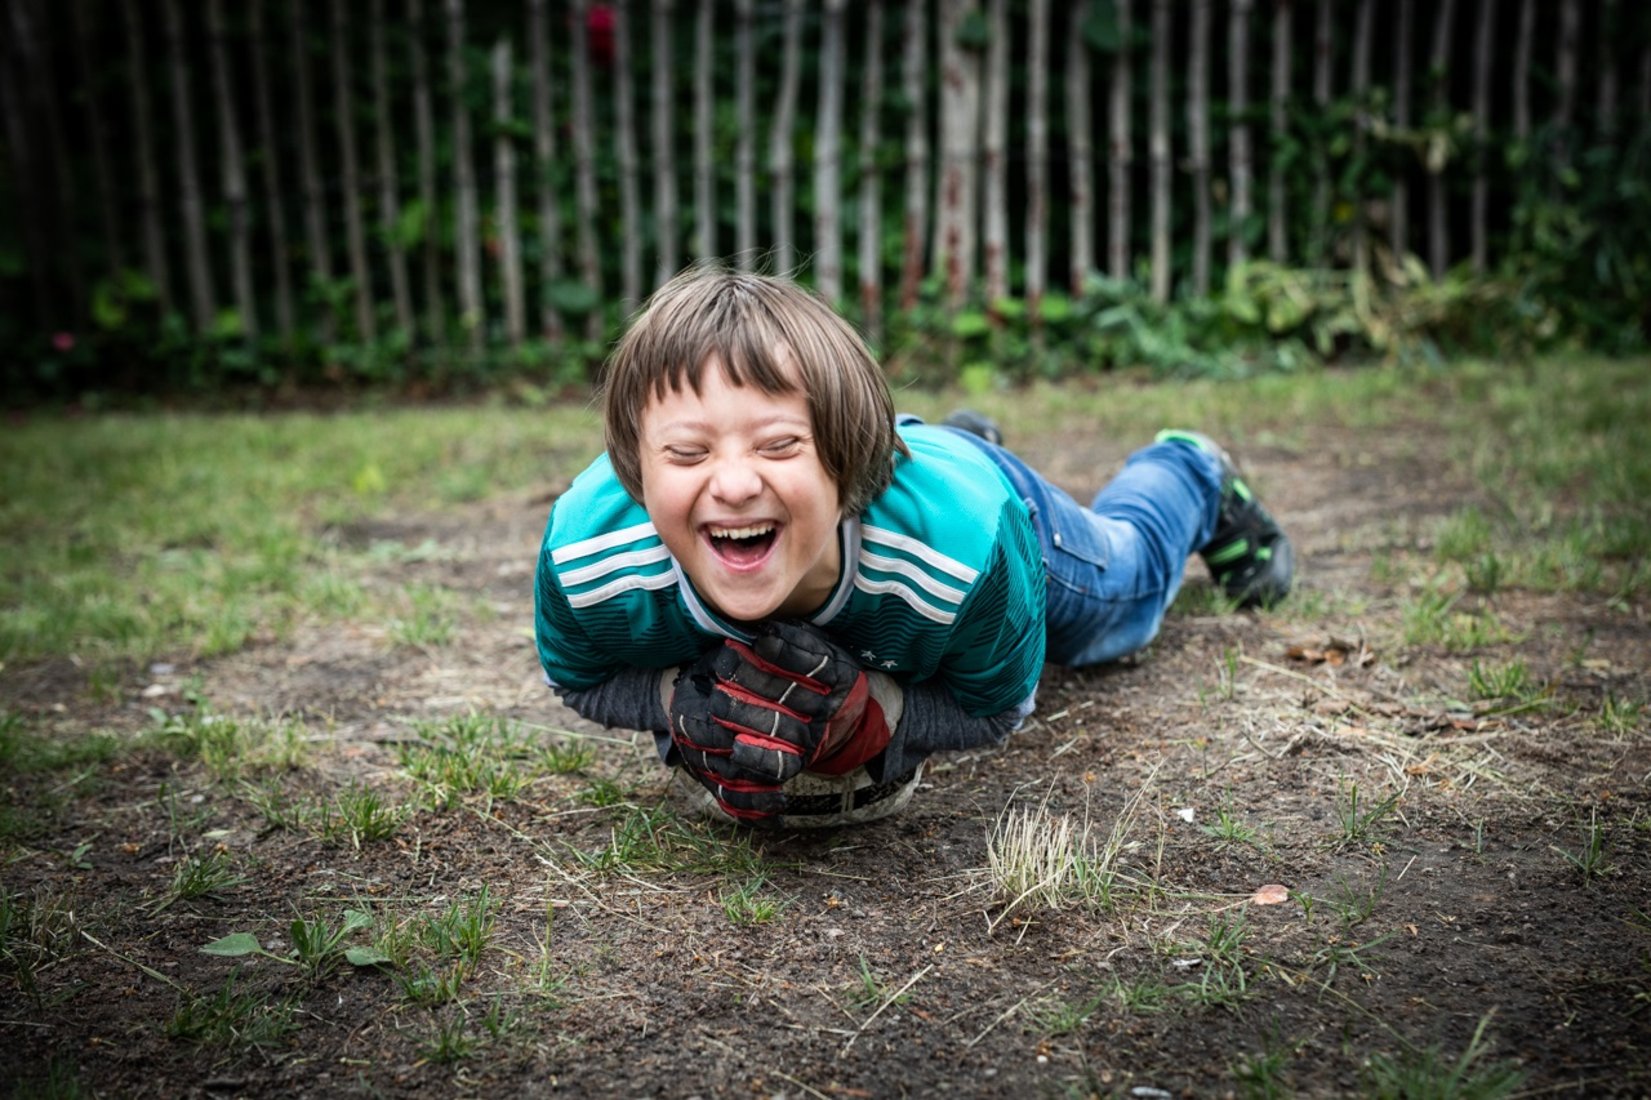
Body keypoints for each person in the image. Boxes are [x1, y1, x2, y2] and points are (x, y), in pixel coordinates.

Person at [534, 267, 1293, 827]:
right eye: (688, 454)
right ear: (636, 469)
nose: (732, 484)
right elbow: (578, 682)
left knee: (1117, 607)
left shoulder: (964, 549)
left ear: (846, 459)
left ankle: (1189, 471)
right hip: (915, 490)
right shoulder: (584, 554)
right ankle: (948, 434)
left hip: (978, 498)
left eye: (778, 444)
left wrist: (878, 713)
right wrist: (675, 699)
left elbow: (996, 709)